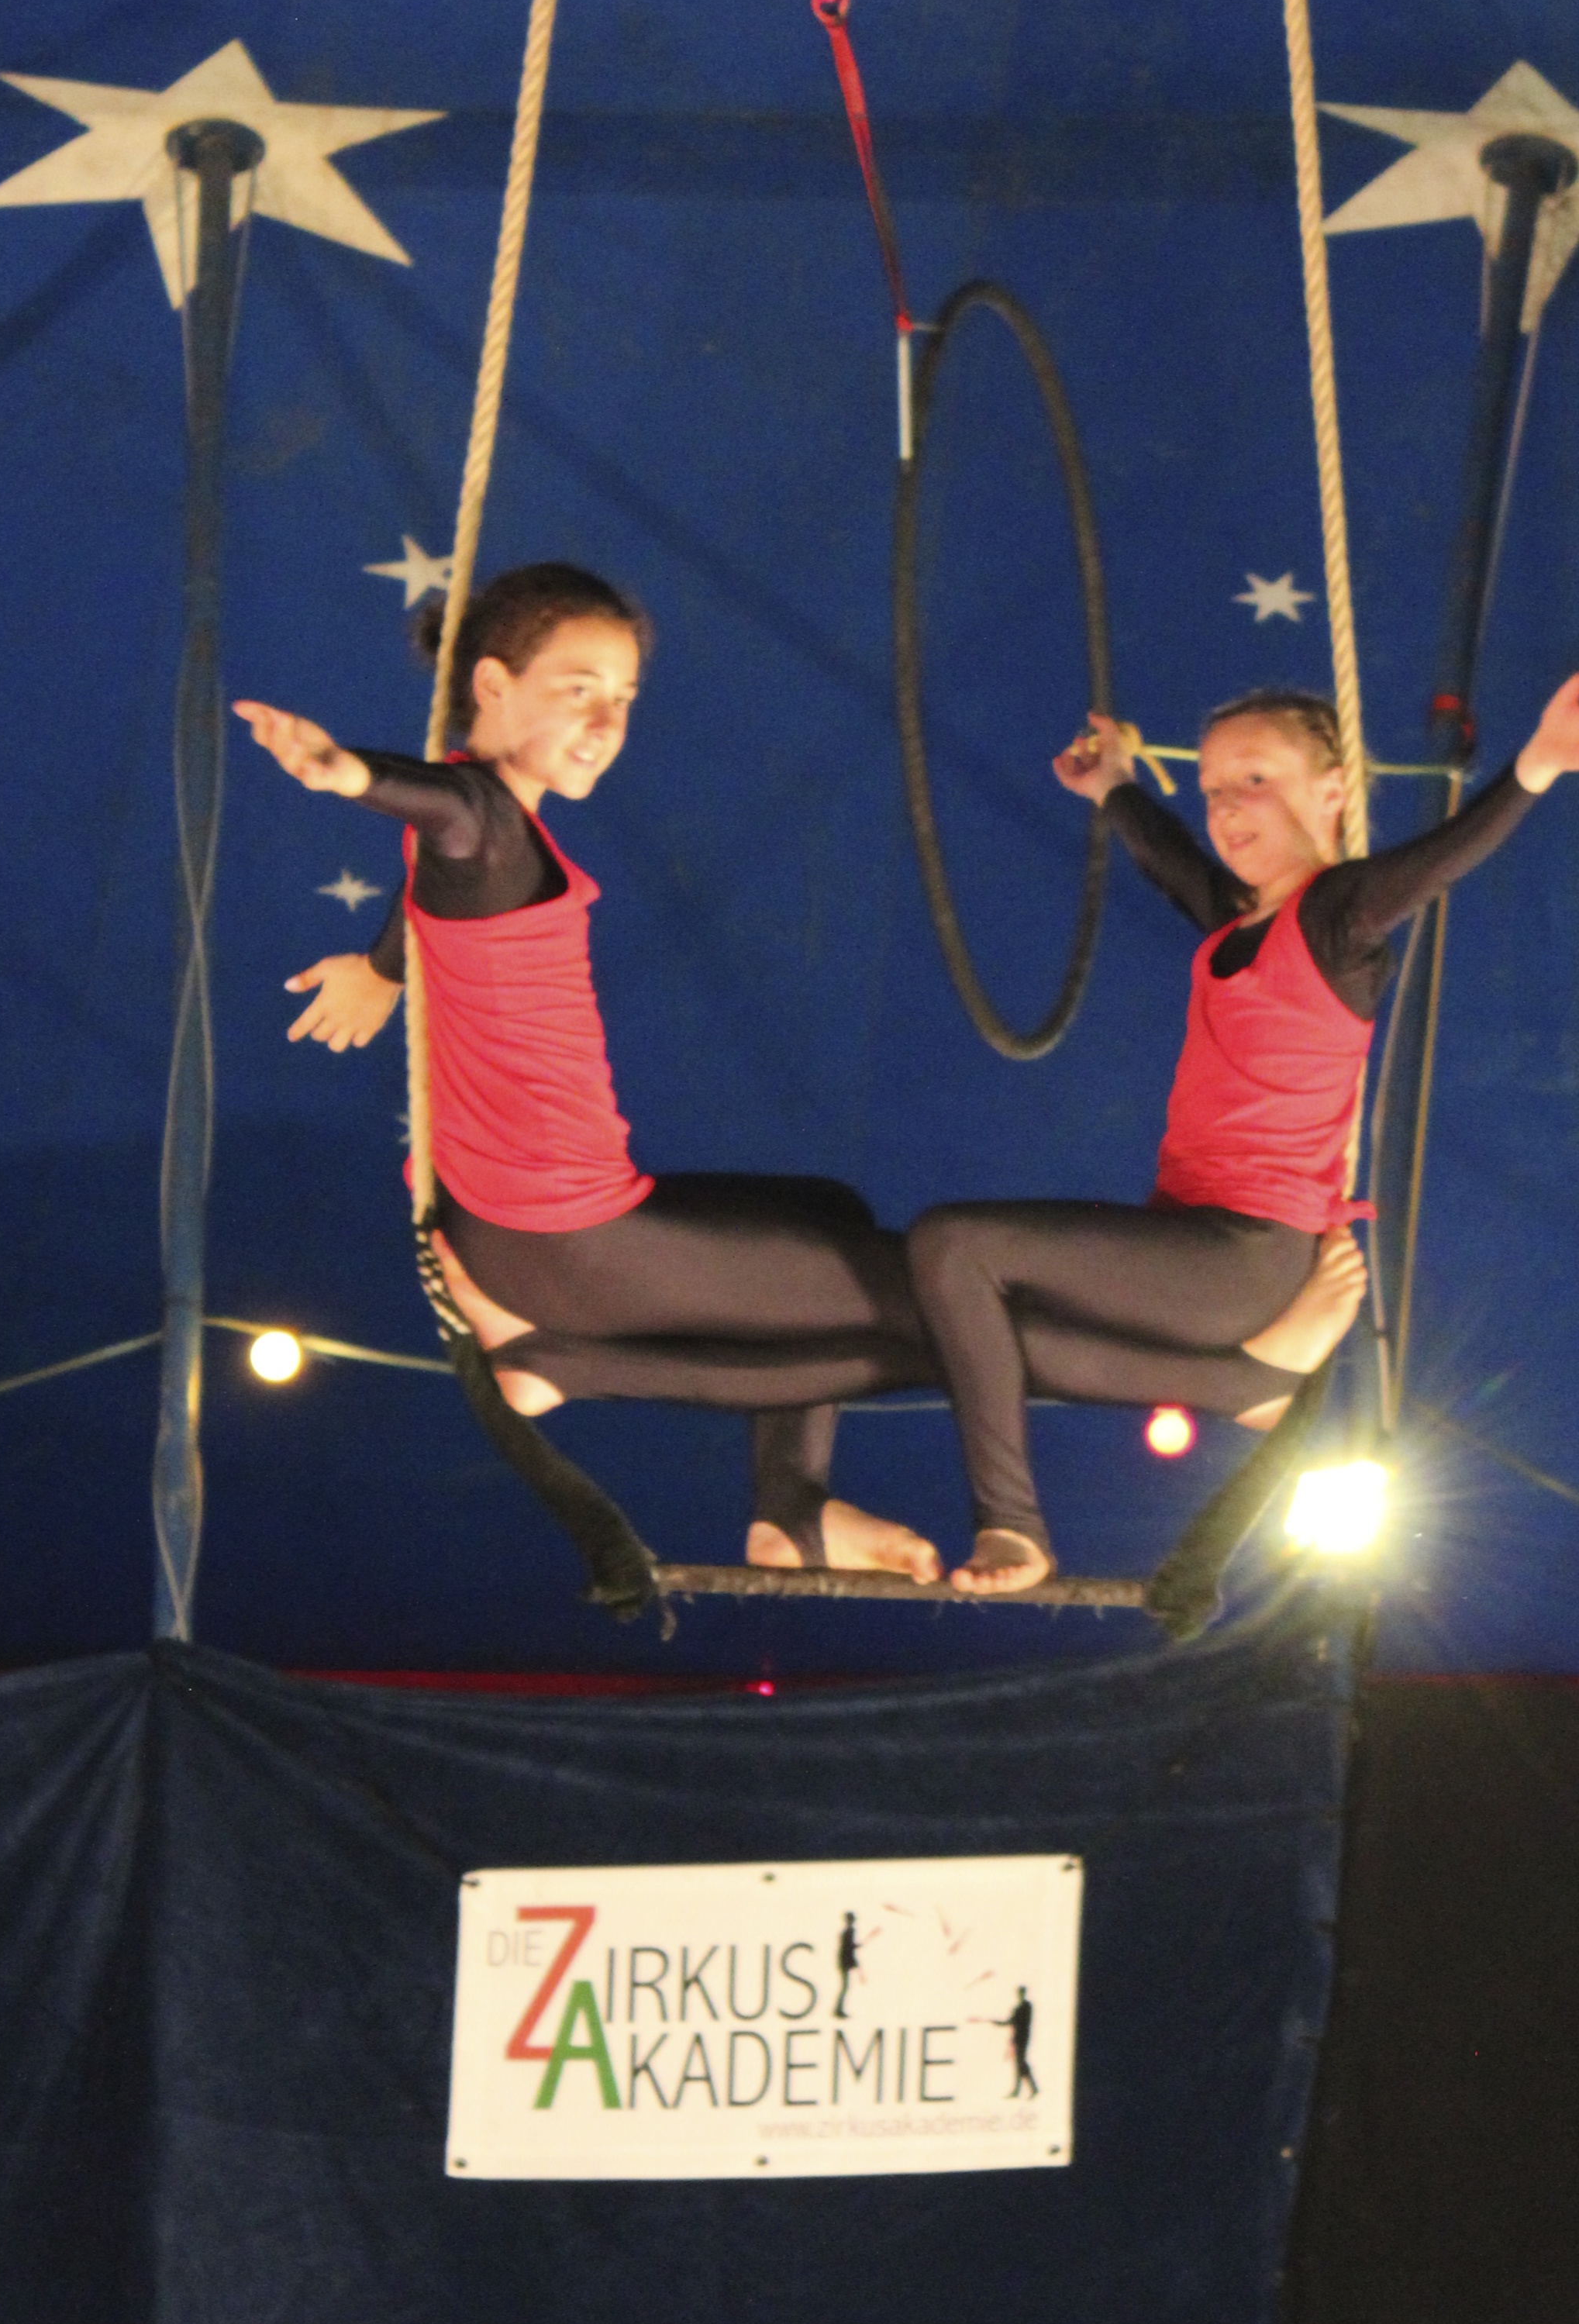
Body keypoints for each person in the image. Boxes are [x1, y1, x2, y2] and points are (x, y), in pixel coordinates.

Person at [240, 562, 1352, 1583]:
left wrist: (382, 968)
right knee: (934, 1305)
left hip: (540, 1225)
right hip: (565, 1245)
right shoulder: (478, 812)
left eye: (623, 698)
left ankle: (792, 1511)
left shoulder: (486, 826)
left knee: (827, 1211)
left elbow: (440, 849)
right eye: (579, 692)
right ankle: (1242, 1384)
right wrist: (347, 773)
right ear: (492, 685)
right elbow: (437, 810)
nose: (607, 724)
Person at [905, 669, 1579, 1594]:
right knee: (985, 1327)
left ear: (1333, 792)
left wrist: (1535, 765)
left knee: (956, 1245)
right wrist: (1113, 787)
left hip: (1242, 1254)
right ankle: (1246, 1386)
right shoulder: (1238, 919)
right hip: (1192, 1238)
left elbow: (1440, 862)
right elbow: (1174, 861)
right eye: (1215, 787)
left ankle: (1015, 1529)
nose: (1227, 806)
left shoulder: (1337, 916)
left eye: (1256, 780)